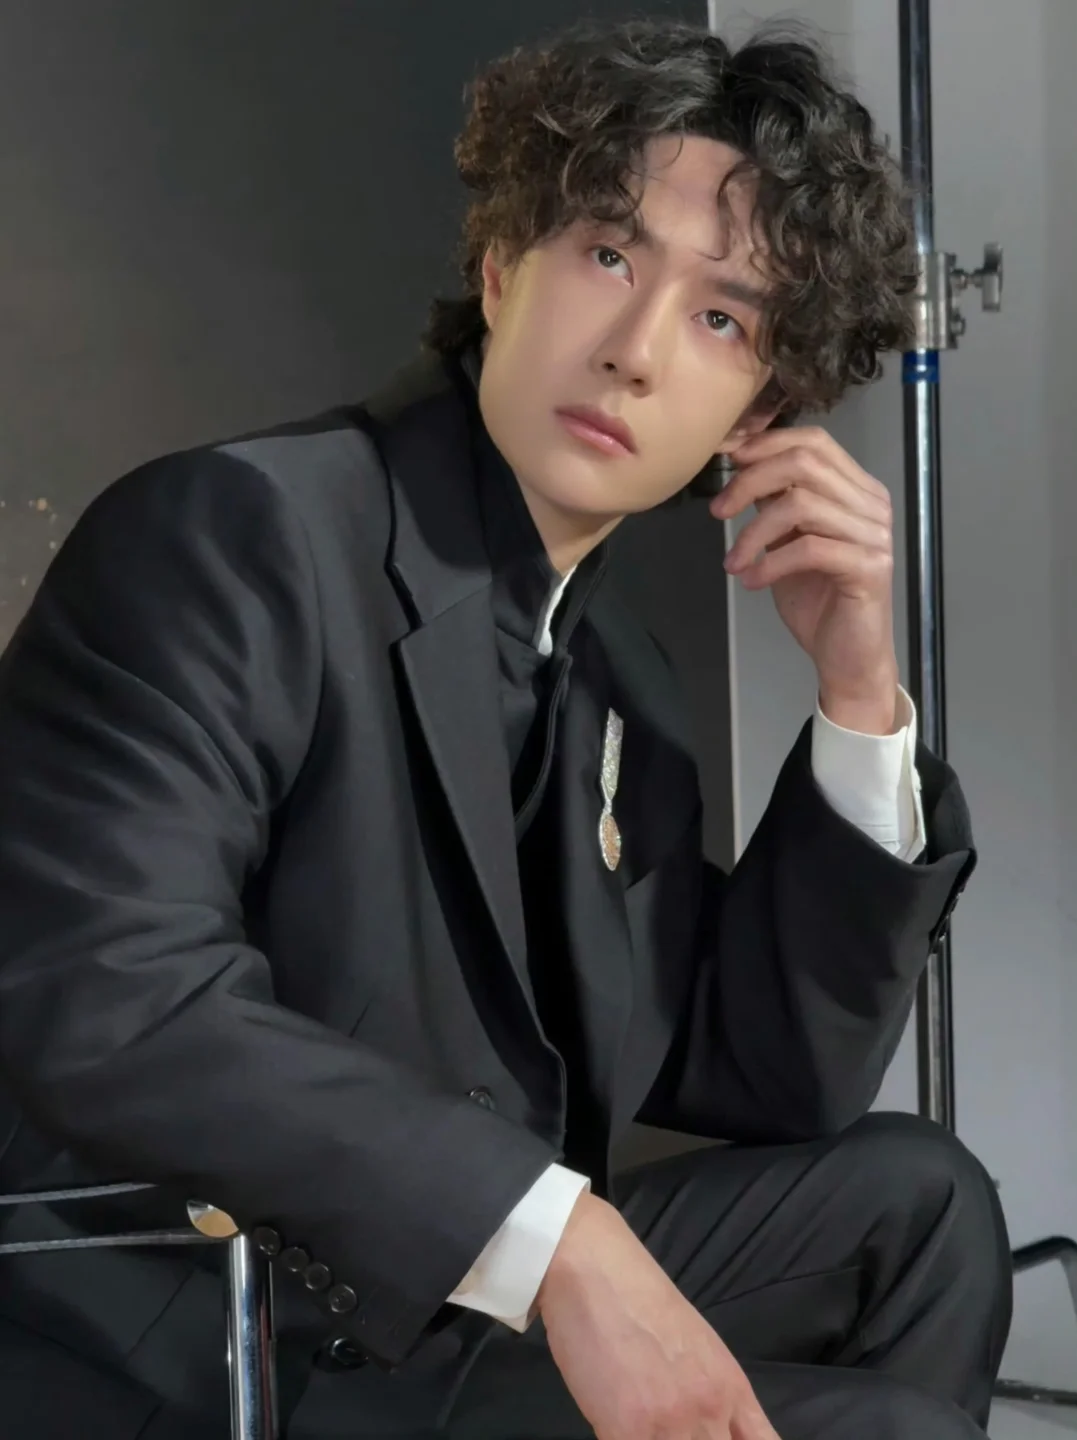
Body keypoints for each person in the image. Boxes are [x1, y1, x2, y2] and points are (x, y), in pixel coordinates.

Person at [0, 17, 1010, 1440]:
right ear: (499, 266)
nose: (636, 351)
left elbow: (768, 1071)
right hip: (213, 1336)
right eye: (608, 254)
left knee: (920, 1204)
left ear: (761, 411)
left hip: (440, 1312)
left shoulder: (613, 672)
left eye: (722, 318)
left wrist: (859, 688)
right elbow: (111, 997)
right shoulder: (240, 534)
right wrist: (559, 1238)